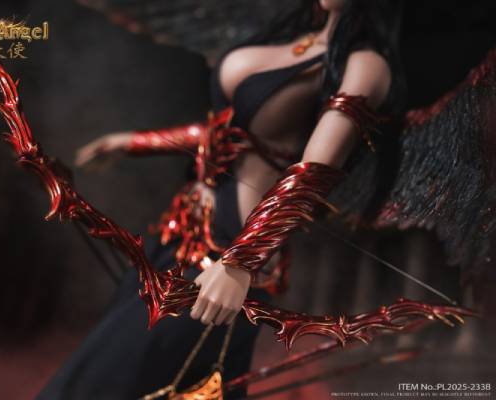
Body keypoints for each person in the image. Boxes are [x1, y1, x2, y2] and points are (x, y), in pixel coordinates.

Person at [37, 1, 408, 398]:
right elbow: (225, 135)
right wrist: (134, 142)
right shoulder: (295, 38)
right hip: (178, 233)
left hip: (229, 253)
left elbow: (313, 172)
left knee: (94, 385)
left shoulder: (366, 65)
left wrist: (241, 261)